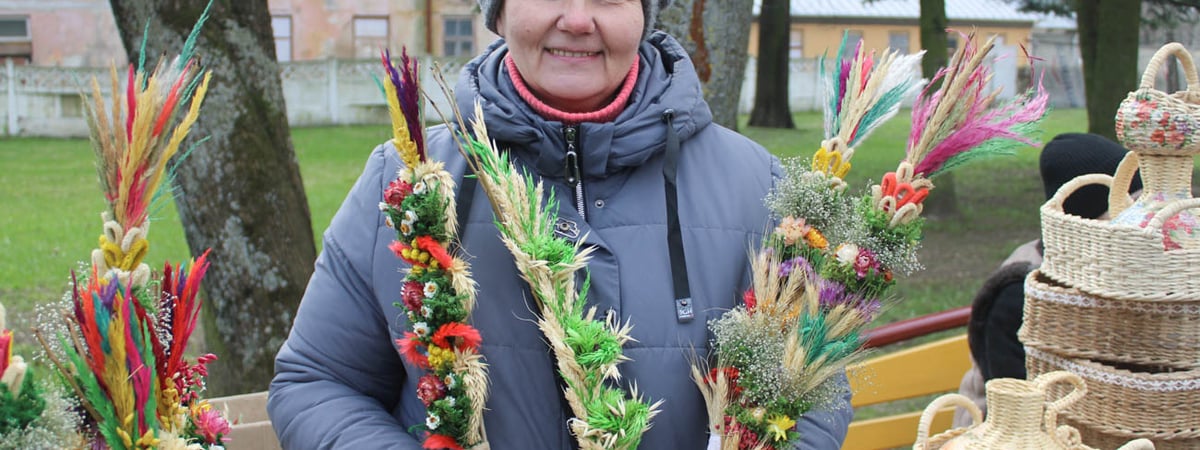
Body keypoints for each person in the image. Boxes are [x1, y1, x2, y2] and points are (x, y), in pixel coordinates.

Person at [267, 0, 853, 448]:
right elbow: (317, 382)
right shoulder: (405, 181)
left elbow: (812, 389)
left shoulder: (758, 186)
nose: (576, 19)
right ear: (498, 13)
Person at [954, 132, 1142, 426]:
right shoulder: (1021, 292)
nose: (1147, 224)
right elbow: (1017, 408)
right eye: (1132, 209)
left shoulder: (1121, 274)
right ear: (1087, 219)